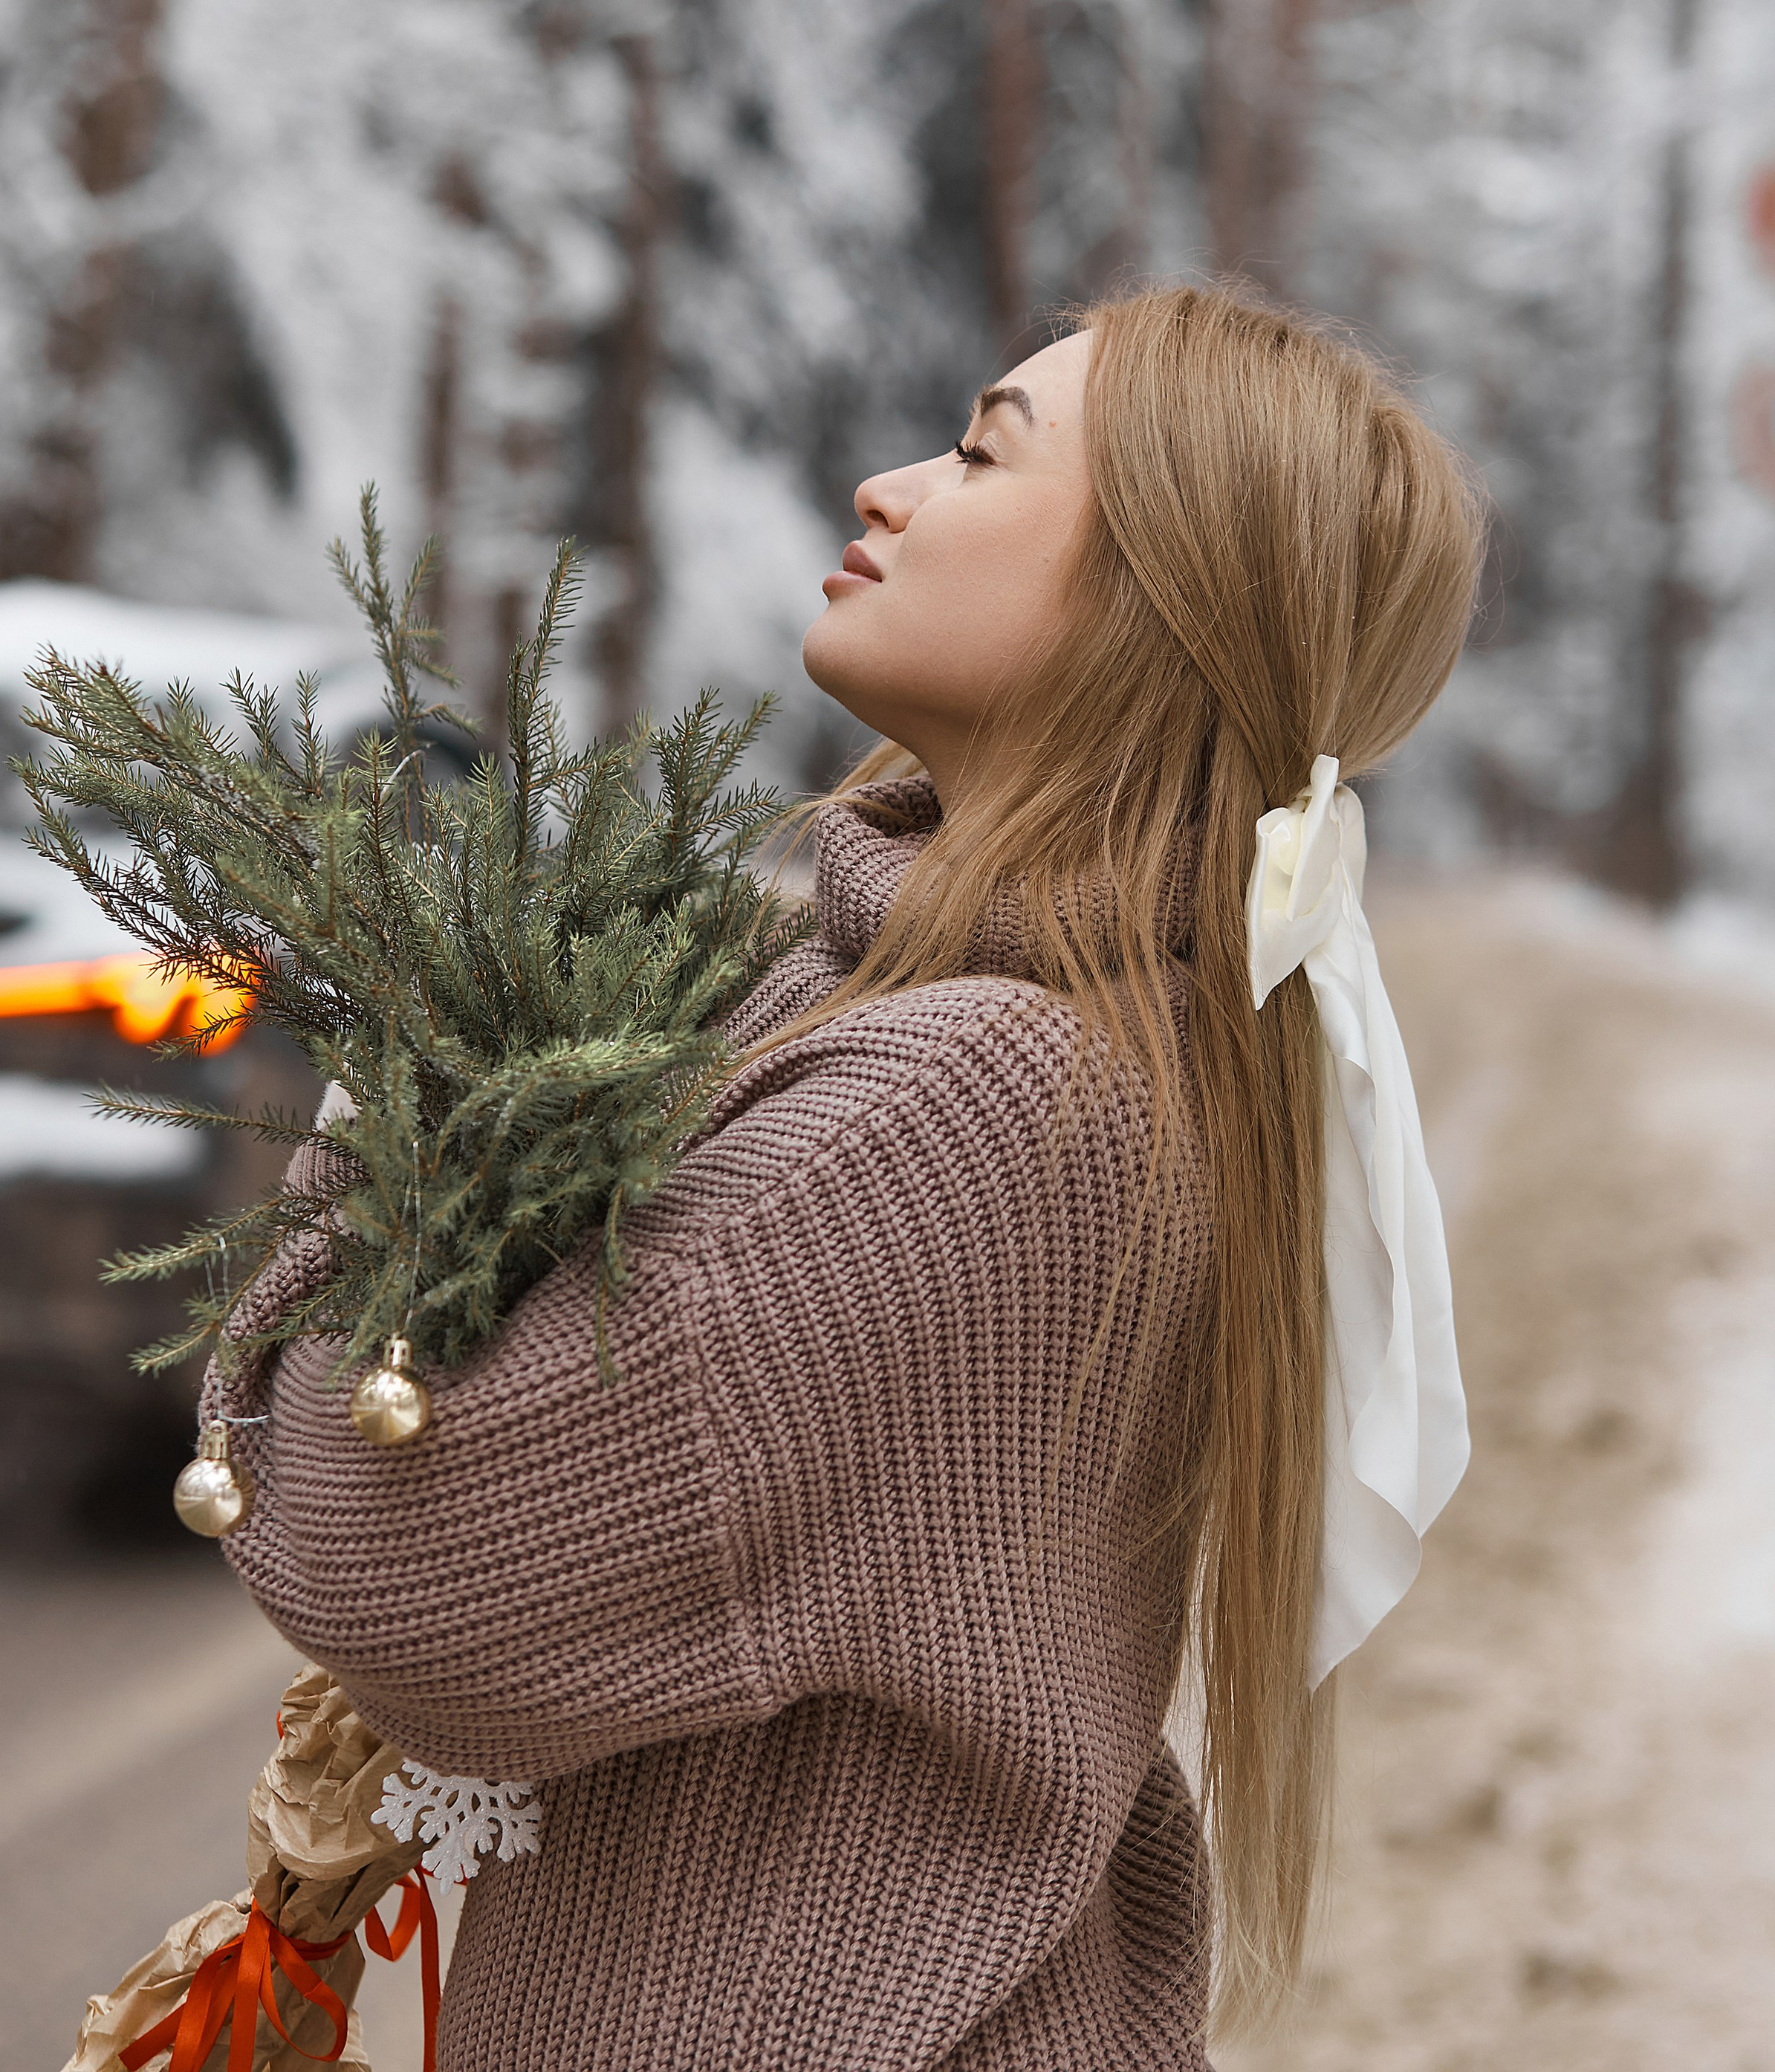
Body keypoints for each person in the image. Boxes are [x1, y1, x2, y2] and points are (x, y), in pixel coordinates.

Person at [212, 282, 1485, 2068]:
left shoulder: (968, 1104)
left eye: (980, 454)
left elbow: (400, 1561)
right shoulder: (1017, 1019)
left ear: (1155, 595)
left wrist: (392, 1122)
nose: (890, 487)